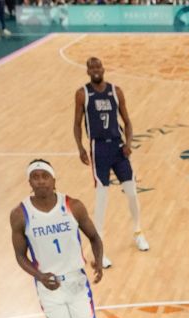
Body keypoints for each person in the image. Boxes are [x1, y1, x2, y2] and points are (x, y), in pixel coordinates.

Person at [8, 160, 121, 318]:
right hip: (49, 289)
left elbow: (94, 237)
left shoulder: (73, 206)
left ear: (54, 180)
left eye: (45, 176)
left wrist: (98, 261)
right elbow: (19, 255)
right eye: (35, 177)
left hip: (77, 284)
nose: (40, 181)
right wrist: (38, 275)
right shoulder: (20, 214)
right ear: (30, 183)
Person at [73, 57, 148, 270]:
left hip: (118, 146)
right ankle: (99, 250)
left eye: (98, 66)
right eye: (91, 67)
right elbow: (77, 124)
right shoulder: (82, 94)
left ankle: (138, 232)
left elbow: (128, 121)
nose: (95, 70)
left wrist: (129, 142)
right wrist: (80, 147)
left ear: (103, 69)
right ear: (88, 71)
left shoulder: (116, 91)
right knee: (102, 198)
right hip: (99, 148)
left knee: (132, 192)